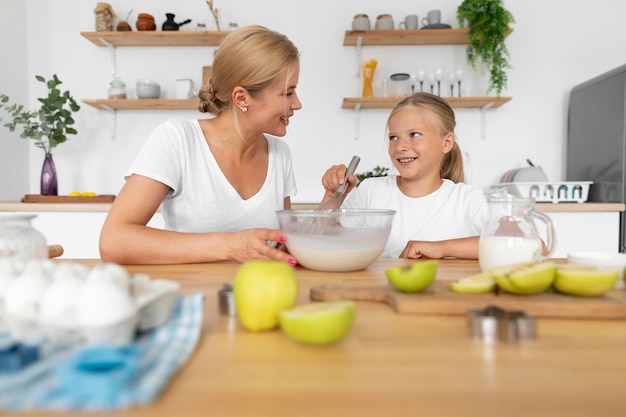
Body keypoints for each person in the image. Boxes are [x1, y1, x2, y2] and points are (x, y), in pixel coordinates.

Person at [99, 26, 302, 265]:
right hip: (190, 296)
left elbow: (282, 248)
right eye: (288, 93)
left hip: (261, 299)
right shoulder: (178, 140)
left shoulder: (279, 154)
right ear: (242, 98)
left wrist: (333, 201)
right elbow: (113, 241)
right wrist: (229, 245)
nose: (297, 104)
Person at [321, 92, 489, 259]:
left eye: (414, 134)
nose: (400, 146)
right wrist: (331, 195)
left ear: (446, 143)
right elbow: (322, 240)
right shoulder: (370, 192)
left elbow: (511, 241)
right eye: (393, 137)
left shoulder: (467, 200)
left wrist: (442, 248)